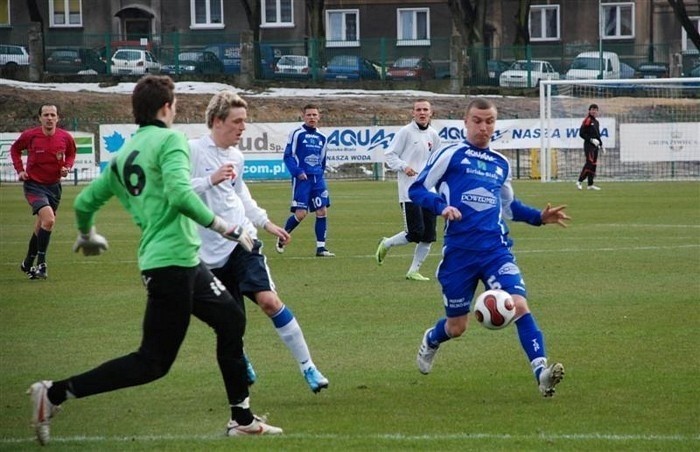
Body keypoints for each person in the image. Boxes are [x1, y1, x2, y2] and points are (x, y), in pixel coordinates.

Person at [27, 75, 282, 446]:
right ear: (166, 108)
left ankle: (241, 417)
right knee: (153, 362)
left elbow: (84, 203)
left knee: (230, 319)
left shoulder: (124, 155)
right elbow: (180, 195)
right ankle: (52, 394)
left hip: (181, 261)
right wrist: (226, 227)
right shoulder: (171, 140)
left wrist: (86, 234)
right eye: (175, 103)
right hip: (170, 265)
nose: (176, 109)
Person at [409, 98, 569, 398]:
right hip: (459, 254)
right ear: (465, 122)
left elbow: (510, 208)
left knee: (519, 305)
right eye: (478, 121)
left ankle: (541, 373)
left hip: (496, 250)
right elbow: (417, 189)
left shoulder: (500, 164)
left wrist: (539, 217)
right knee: (457, 327)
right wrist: (441, 207)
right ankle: (431, 339)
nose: (484, 127)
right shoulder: (451, 154)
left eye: (490, 121)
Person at [189, 91, 329, 393]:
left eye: (245, 122)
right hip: (206, 253)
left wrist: (266, 223)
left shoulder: (236, 157)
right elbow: (174, 192)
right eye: (237, 122)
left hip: (242, 242)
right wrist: (209, 180)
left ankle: (309, 367)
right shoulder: (192, 151)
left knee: (269, 301)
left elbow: (241, 196)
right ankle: (239, 356)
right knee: (230, 321)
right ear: (217, 121)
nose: (243, 128)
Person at [375, 99, 441, 281]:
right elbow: (390, 155)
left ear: (431, 113)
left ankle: (413, 271)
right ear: (413, 113)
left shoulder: (434, 135)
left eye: (425, 109)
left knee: (428, 235)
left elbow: (436, 160)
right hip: (409, 191)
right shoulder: (405, 132)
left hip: (429, 191)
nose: (422, 112)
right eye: (418, 109)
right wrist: (404, 166)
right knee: (415, 233)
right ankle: (386, 243)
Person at [10, 104, 77, 280]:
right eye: (45, 114)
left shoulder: (65, 137)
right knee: (49, 219)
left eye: (52, 115)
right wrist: (20, 170)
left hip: (54, 187)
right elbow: (15, 149)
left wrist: (67, 167)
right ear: (40, 118)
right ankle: (42, 264)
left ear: (57, 118)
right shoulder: (30, 136)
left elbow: (71, 154)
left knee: (42, 225)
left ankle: (27, 262)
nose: (49, 118)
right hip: (34, 185)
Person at [277, 103, 334, 257]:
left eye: (314, 115)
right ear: (304, 116)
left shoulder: (322, 137)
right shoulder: (297, 134)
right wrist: (297, 171)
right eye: (309, 115)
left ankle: (321, 248)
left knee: (322, 211)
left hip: (317, 178)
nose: (312, 117)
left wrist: (320, 173)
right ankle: (282, 236)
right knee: (301, 213)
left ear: (319, 117)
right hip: (302, 179)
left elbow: (323, 159)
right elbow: (288, 155)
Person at [576, 103, 605, 191]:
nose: (594, 111)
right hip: (589, 145)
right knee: (589, 163)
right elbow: (581, 134)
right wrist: (591, 140)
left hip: (595, 146)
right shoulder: (587, 120)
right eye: (592, 109)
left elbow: (598, 135)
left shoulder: (596, 122)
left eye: (595, 110)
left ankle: (590, 184)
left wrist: (601, 144)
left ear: (597, 111)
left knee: (593, 165)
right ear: (589, 111)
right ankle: (579, 181)